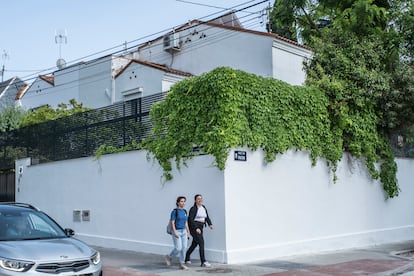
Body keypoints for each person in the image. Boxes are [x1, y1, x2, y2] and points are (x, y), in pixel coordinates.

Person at [185, 194, 213, 267]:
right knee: (201, 242)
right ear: (195, 200)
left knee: (194, 244)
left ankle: (187, 257)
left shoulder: (203, 207)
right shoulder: (193, 209)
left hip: (201, 227)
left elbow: (206, 217)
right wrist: (196, 228)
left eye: (201, 198)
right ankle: (203, 261)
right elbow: (190, 220)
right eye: (198, 199)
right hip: (194, 227)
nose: (200, 200)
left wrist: (210, 224)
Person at [165, 196, 191, 270]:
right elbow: (172, 223)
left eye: (184, 201)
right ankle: (169, 257)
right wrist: (175, 232)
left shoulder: (185, 211)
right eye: (181, 201)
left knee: (184, 248)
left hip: (184, 231)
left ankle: (181, 264)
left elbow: (186, 222)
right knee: (178, 248)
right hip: (177, 231)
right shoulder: (174, 211)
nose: (183, 203)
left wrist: (188, 232)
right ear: (178, 202)